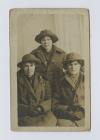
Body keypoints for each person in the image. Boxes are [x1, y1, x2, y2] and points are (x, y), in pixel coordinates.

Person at [17, 54, 57, 126]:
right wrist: (28, 109)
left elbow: (49, 99)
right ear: (22, 67)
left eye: (32, 65)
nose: (29, 69)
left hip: (41, 112)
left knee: (51, 121)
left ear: (35, 66)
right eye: (26, 66)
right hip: (24, 114)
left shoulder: (43, 80)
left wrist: (41, 108)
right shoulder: (15, 80)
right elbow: (12, 103)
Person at [52, 53, 85, 127]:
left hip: (86, 116)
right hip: (66, 117)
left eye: (76, 64)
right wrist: (68, 109)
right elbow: (55, 105)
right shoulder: (60, 82)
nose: (73, 67)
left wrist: (83, 110)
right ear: (66, 66)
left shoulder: (87, 79)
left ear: (80, 65)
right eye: (70, 65)